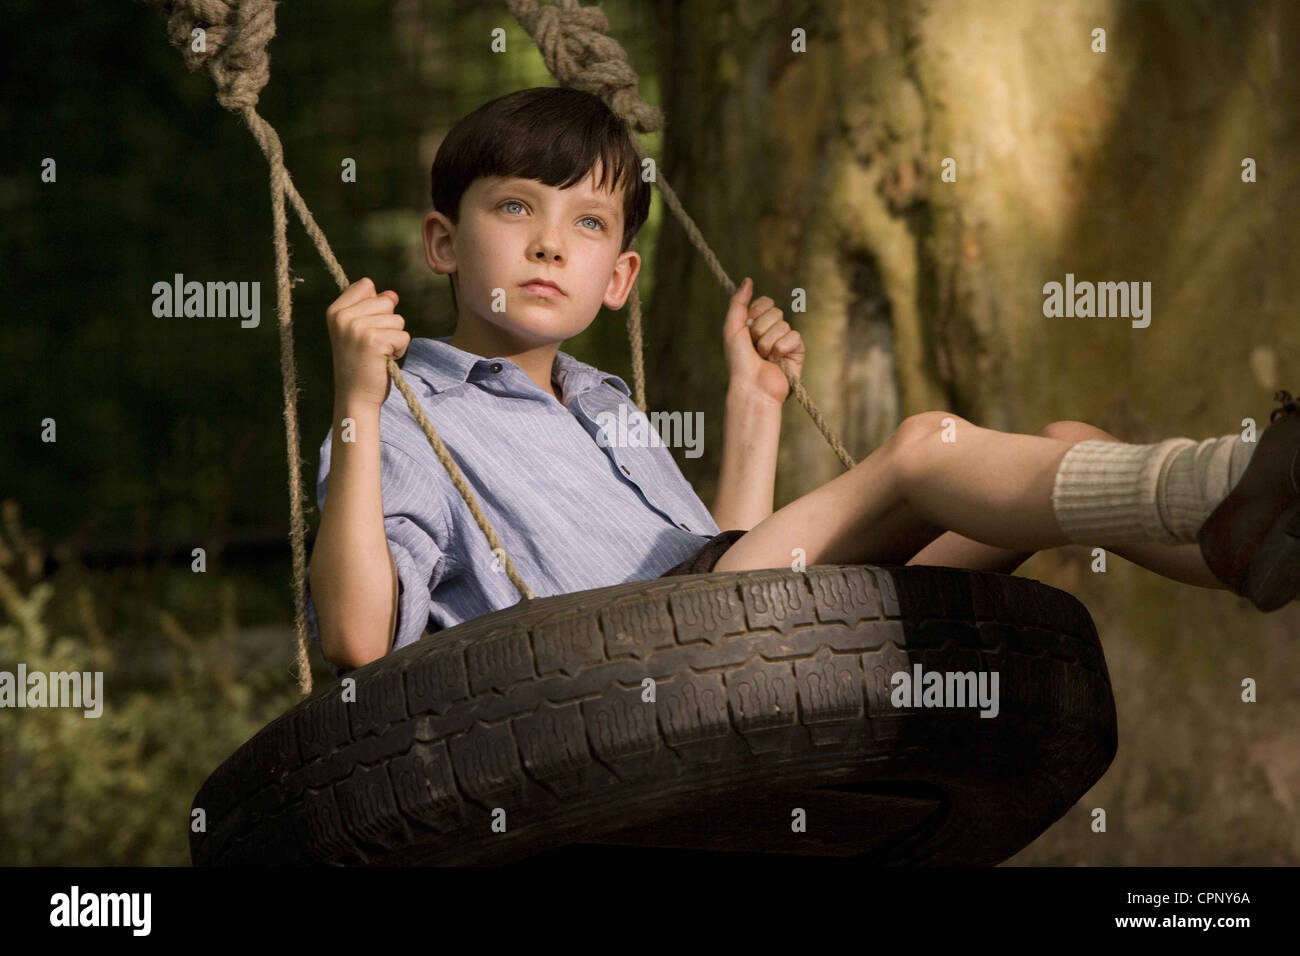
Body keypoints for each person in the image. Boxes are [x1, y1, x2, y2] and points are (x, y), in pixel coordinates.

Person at [306, 86, 1300, 676]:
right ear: (442, 240)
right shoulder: (410, 412)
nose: (549, 245)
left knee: (1065, 441)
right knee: (923, 449)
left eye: (589, 224)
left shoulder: (602, 399)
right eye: (516, 208)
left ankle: (1248, 540)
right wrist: (356, 403)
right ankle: (1223, 478)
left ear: (617, 280)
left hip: (716, 631)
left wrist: (754, 407)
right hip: (618, 672)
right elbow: (355, 639)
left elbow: (719, 559)